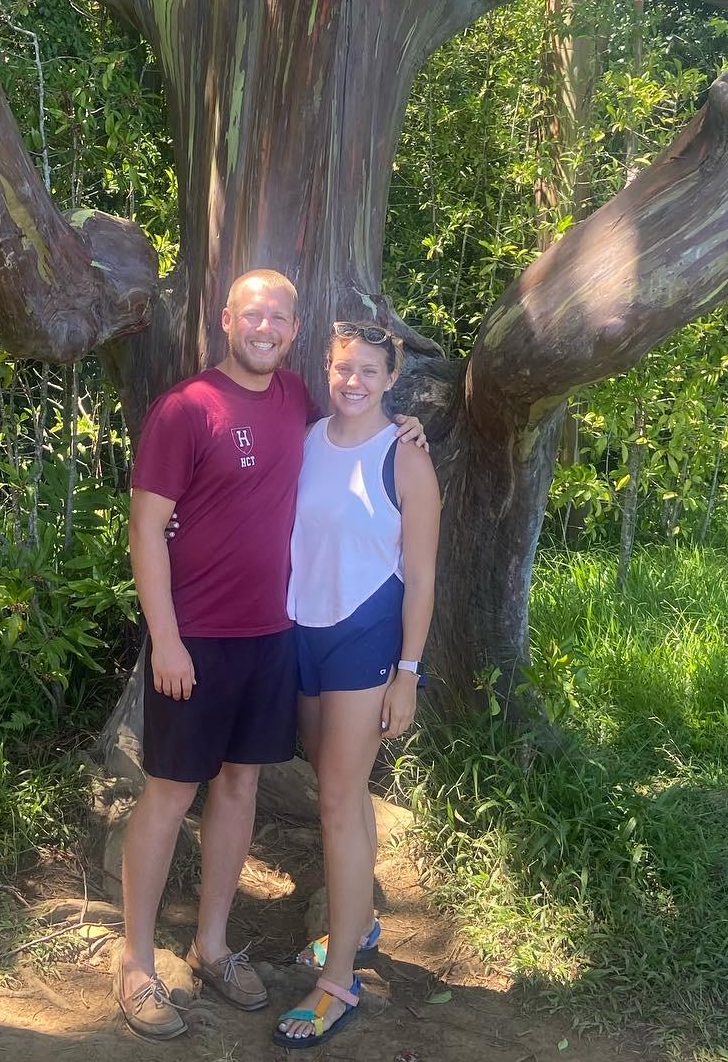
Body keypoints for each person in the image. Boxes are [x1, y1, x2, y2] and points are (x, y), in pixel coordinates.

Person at [115, 271, 424, 1040]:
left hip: (274, 639)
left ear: (293, 329)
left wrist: (407, 427)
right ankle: (136, 966)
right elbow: (146, 528)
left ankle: (213, 947)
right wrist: (166, 640)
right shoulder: (186, 409)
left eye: (280, 317)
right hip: (196, 642)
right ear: (227, 319)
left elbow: (366, 433)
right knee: (167, 794)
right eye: (253, 314)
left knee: (242, 789)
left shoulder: (299, 404)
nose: (265, 327)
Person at [275, 320, 440, 1049]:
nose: (354, 382)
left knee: (338, 802)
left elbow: (425, 575)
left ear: (390, 378)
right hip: (303, 632)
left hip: (366, 640)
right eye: (345, 368)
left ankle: (338, 982)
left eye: (370, 372)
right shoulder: (306, 439)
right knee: (336, 786)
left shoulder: (404, 455)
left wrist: (408, 672)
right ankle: (360, 926)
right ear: (329, 367)